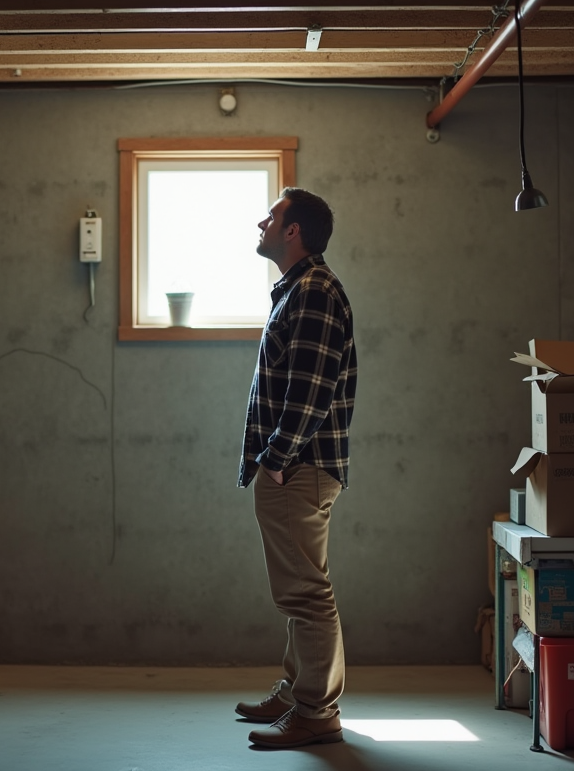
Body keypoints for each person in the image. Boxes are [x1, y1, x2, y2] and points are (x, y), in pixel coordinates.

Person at [235, 187, 357, 749]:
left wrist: (277, 461)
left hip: (298, 468)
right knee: (299, 588)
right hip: (297, 466)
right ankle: (297, 688)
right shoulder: (297, 289)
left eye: (273, 215)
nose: (262, 222)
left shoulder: (313, 291)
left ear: (294, 231)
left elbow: (311, 390)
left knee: (306, 592)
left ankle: (315, 712)